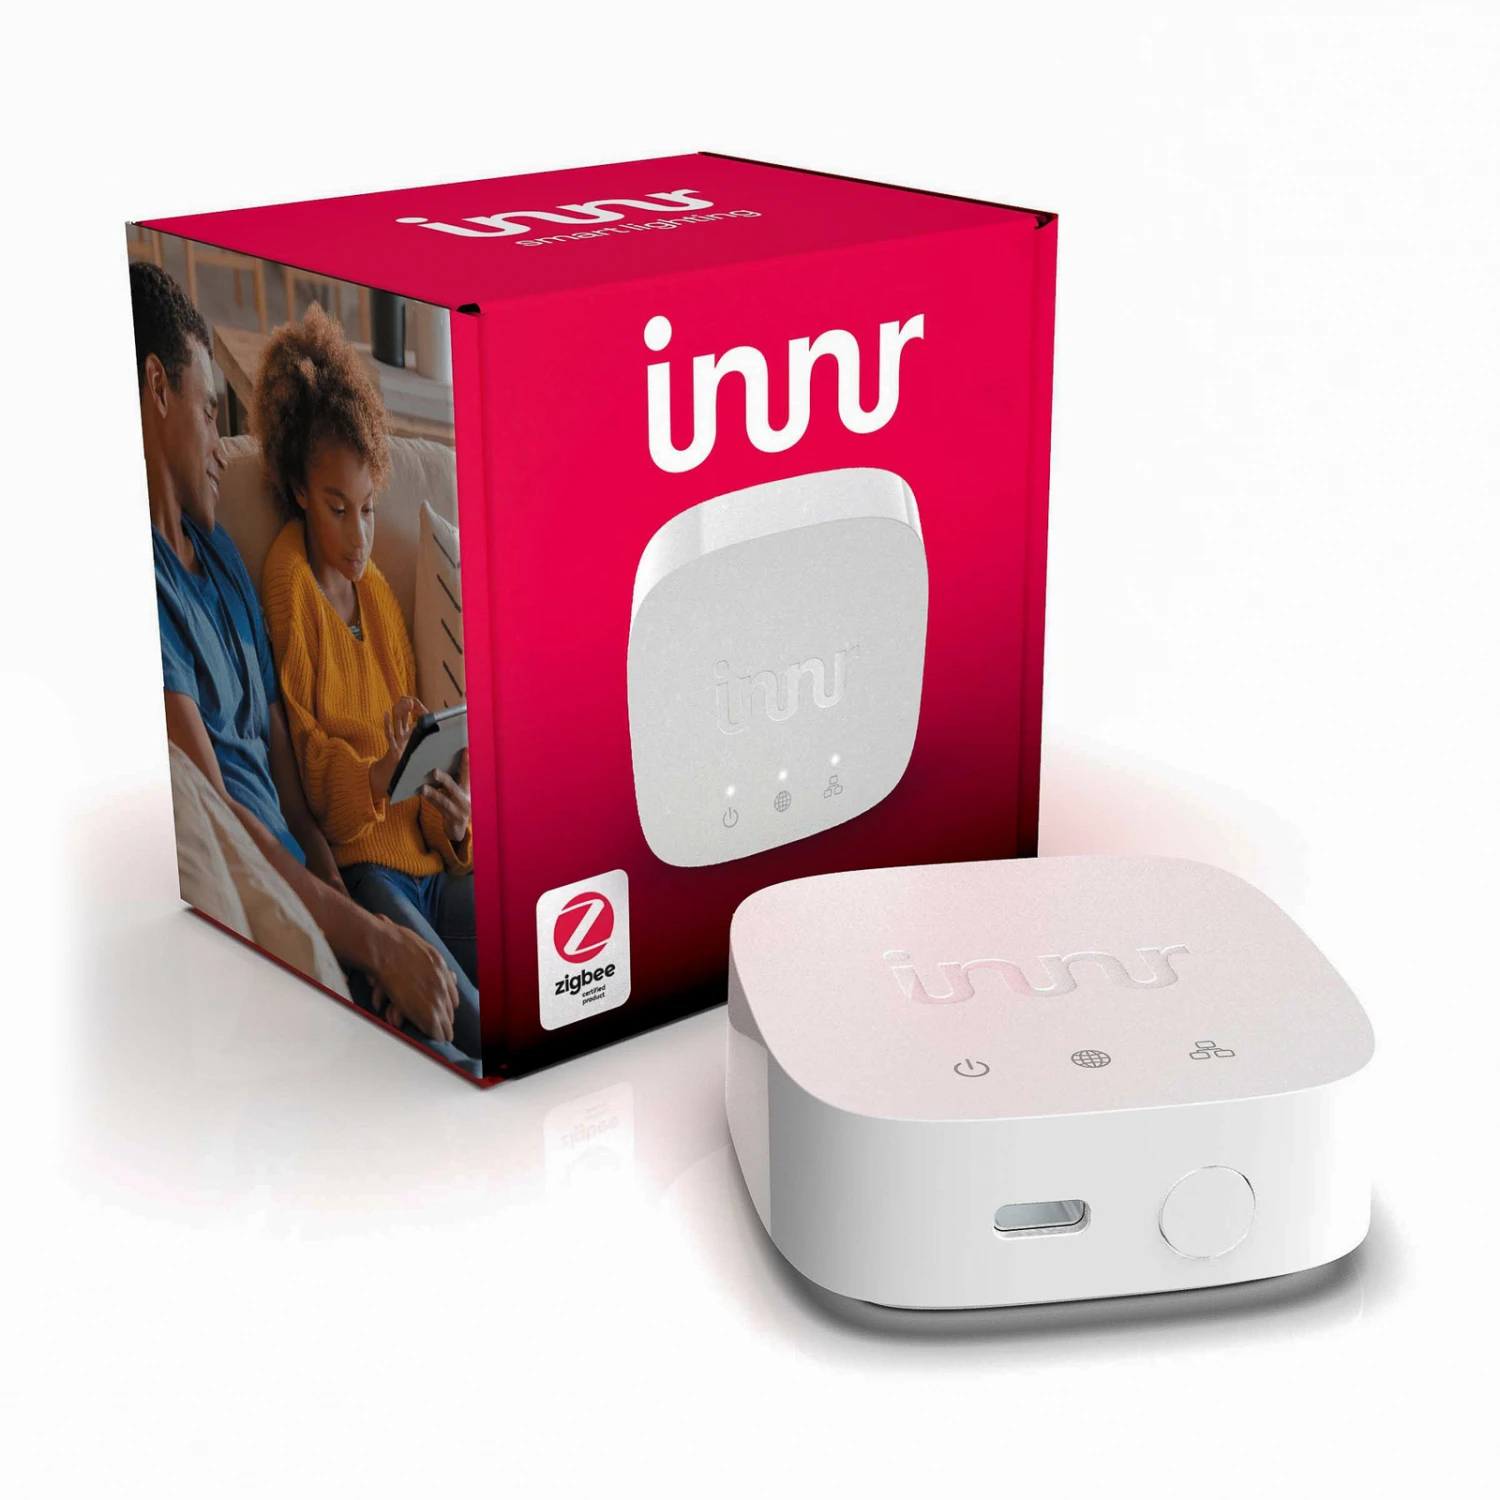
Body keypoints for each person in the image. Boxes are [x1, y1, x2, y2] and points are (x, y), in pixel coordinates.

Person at [129, 261, 477, 1075]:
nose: (222, 450)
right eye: (209, 410)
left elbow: (289, 786)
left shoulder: (223, 558)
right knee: (462, 1042)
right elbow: (237, 807)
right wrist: (370, 935)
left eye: (367, 510)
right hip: (316, 888)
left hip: (358, 880)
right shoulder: (185, 584)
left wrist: (439, 833)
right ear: (158, 389)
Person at [253, 305, 481, 1062]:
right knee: (476, 1025)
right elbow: (311, 776)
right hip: (368, 873)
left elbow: (413, 758)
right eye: (338, 510)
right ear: (298, 488)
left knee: (540, 958)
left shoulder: (378, 595)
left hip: (428, 865)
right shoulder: (289, 581)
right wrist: (379, 773)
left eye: (370, 511)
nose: (358, 538)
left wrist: (454, 826)